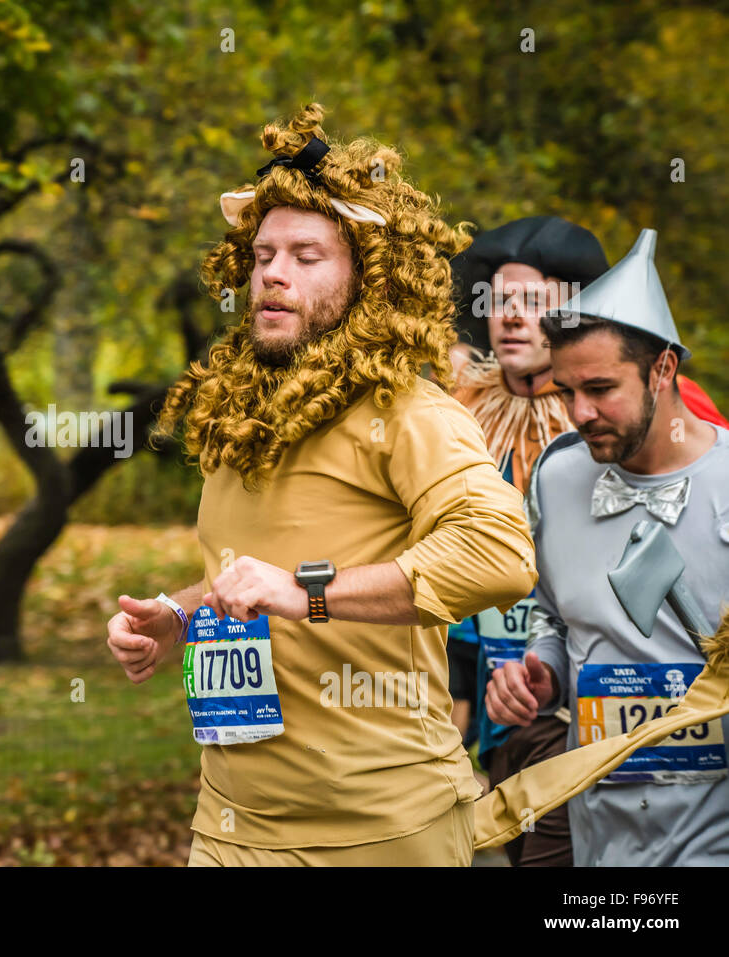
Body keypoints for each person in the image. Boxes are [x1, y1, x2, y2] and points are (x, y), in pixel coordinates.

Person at [105, 103, 537, 866]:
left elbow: (499, 555)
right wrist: (178, 614)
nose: (273, 272)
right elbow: (252, 578)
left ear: (370, 278)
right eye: (264, 253)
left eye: (307, 255)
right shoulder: (240, 415)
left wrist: (306, 592)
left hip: (381, 828)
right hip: (231, 823)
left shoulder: (410, 411)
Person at [485, 229, 729, 865]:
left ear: (663, 368)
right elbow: (554, 618)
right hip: (600, 833)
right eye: (566, 392)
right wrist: (539, 673)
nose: (580, 413)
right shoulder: (559, 477)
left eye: (600, 388)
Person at [445, 215, 610, 865]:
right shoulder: (451, 417)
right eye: (500, 301)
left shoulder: (619, 416)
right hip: (489, 710)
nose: (512, 317)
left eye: (535, 302)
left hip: (589, 709)